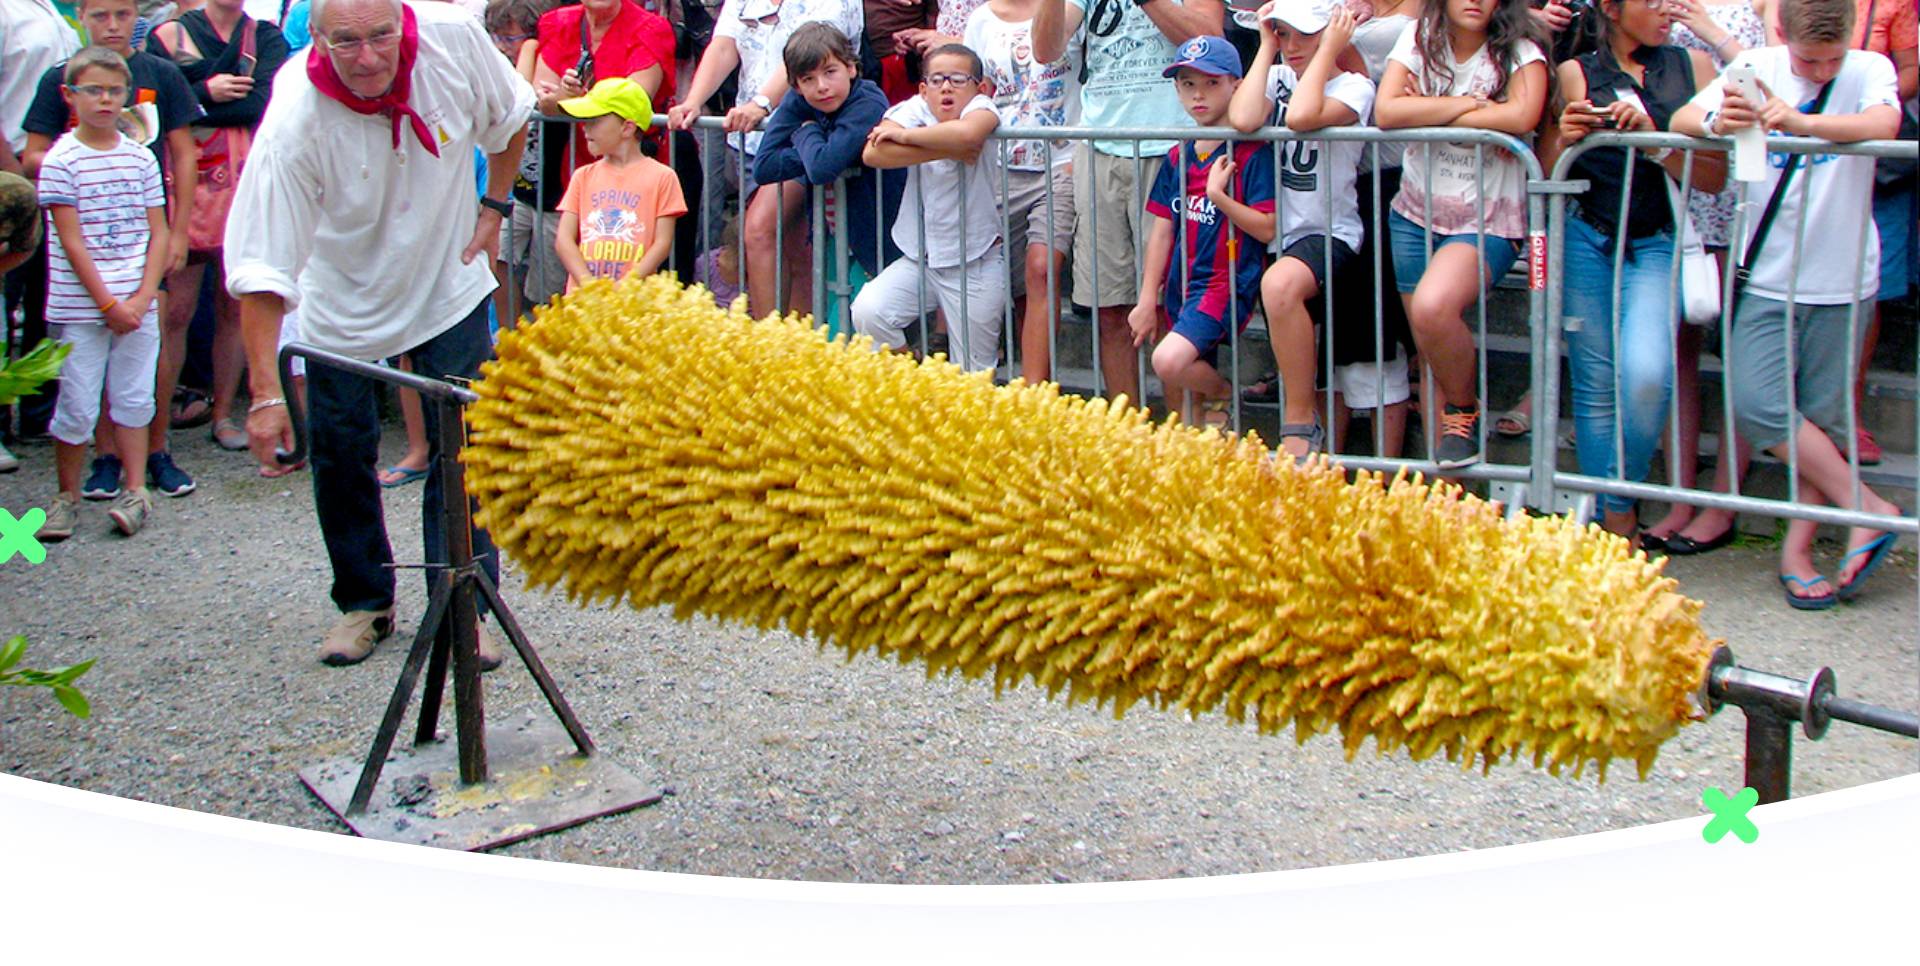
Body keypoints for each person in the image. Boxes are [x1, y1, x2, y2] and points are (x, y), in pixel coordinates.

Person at [225, 0, 535, 667]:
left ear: (403, 22)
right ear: (316, 37)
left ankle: (465, 604)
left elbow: (511, 116)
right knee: (340, 451)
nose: (366, 58)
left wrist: (495, 206)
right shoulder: (293, 118)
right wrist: (264, 394)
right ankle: (365, 601)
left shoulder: (452, 40)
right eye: (345, 42)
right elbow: (261, 266)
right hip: (339, 298)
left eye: (380, 37)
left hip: (446, 277)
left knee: (465, 449)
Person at [1673, 0, 1903, 607]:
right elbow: (1682, 119)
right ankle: (1868, 509)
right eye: (1810, 59)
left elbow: (1884, 123)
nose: (1824, 70)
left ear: (1851, 36)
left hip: (1844, 274)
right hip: (1767, 271)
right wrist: (1723, 119)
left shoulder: (1869, 68)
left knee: (1825, 422)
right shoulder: (1756, 64)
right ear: (1783, 33)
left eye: (1834, 58)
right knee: (1759, 406)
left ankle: (1798, 551)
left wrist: (1800, 122)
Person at [1538, 0, 1724, 546]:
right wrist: (1566, 135)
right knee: (1595, 387)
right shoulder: (1575, 71)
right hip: (1585, 235)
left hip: (1659, 239)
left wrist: (1654, 139)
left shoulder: (1695, 68)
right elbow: (1546, 169)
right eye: (1651, 0)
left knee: (1647, 376)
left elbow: (1714, 176)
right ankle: (1611, 533)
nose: (1666, 9)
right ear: (1613, 9)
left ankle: (1618, 502)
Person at [19, 0, 198, 497]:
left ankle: (156, 449)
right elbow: (32, 152)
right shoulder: (65, 78)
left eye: (122, 14)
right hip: (87, 235)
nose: (113, 26)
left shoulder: (160, 73)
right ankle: (104, 456)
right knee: (89, 356)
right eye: (101, 16)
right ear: (82, 17)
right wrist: (85, 144)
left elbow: (184, 153)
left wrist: (180, 231)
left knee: (150, 340)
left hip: (145, 231)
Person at [1373, 0, 1548, 468]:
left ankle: (1464, 407)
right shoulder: (1417, 39)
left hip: (1487, 217)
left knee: (1434, 307)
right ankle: (1448, 498)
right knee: (1431, 350)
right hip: (1413, 211)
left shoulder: (1520, 51)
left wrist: (1425, 110)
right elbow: (1387, 111)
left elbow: (1521, 117)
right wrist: (1473, 105)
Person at [1035, 0, 1223, 408]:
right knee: (1109, 306)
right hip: (1099, 146)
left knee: (1176, 306)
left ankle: (1183, 438)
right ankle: (1127, 436)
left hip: (1173, 148)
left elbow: (1209, 42)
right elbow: (1045, 51)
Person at [144, 0, 289, 483]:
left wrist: (194, 97)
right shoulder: (168, 35)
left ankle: (224, 413)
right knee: (175, 311)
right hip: (185, 185)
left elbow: (263, 103)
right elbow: (154, 107)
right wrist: (207, 90)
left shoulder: (265, 38)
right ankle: (154, 429)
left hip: (245, 185)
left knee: (236, 306)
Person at [1642, 0, 1769, 553]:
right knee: (1679, 348)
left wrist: (1709, 31)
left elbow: (1774, 82)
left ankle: (1725, 501)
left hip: (1741, 189)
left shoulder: (1748, 10)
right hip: (1678, 189)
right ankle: (1681, 498)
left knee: (1741, 348)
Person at [33, 47, 169, 539]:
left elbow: (159, 231)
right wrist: (108, 305)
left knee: (134, 397)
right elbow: (70, 240)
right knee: (76, 401)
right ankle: (65, 495)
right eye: (94, 90)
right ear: (71, 95)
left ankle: (136, 490)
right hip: (81, 304)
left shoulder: (140, 158)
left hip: (137, 299)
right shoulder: (60, 161)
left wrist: (142, 296)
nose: (105, 100)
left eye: (114, 91)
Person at [1229, 0, 1374, 459]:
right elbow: (1245, 117)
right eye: (1284, 34)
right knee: (1282, 298)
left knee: (1280, 286)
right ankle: (1306, 427)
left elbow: (1301, 116)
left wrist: (1330, 46)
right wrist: (1266, 43)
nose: (1292, 47)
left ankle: (1298, 419)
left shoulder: (1356, 87)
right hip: (1280, 233)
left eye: (1302, 35)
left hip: (1329, 230)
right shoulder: (1277, 75)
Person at [664, 0, 866, 319]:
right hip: (751, 138)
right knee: (793, 247)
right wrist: (693, 101)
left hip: (808, 132)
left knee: (759, 232)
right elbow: (723, 46)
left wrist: (761, 105)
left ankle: (768, 342)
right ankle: (797, 347)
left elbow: (803, 60)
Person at [1127, 36, 1277, 425]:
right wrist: (1147, 299)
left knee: (1168, 360)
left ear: (1236, 85)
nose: (1199, 95)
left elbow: (1267, 228)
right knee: (1184, 402)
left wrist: (1218, 195)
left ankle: (1224, 391)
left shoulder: (1250, 152)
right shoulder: (1179, 154)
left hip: (1222, 283)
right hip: (1181, 281)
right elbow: (1162, 229)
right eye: (1188, 84)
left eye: (1212, 83)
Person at [854, 42, 1004, 370]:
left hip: (974, 260)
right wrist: (944, 146)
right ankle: (915, 380)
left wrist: (908, 138)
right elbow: (874, 154)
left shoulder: (983, 107)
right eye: (936, 80)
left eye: (957, 79)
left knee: (975, 377)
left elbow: (968, 136)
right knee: (868, 311)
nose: (946, 87)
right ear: (923, 89)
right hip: (918, 258)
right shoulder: (913, 108)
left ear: (979, 88)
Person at [960, 0, 1080, 385]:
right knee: (1005, 284)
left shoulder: (1074, 8)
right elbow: (971, 92)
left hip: (1062, 160)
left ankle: (1034, 396)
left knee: (1042, 268)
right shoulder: (980, 20)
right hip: (1000, 165)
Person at [526, 0, 675, 309]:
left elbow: (635, 100)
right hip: (577, 168)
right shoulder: (558, 23)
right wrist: (592, 287)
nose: (586, 126)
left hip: (635, 296)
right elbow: (541, 96)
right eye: (586, 119)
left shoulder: (650, 28)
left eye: (593, 121)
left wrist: (626, 289)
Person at [752, 21, 903, 303]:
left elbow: (822, 168)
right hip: (834, 234)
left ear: (851, 68)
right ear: (796, 85)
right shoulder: (800, 100)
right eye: (808, 79)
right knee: (838, 330)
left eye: (830, 72)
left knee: (865, 329)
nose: (821, 87)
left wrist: (807, 132)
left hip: (880, 234)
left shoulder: (868, 101)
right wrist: (821, 150)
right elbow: (765, 166)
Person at [555, 76, 687, 289]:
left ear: (627, 128)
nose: (584, 128)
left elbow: (662, 243)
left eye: (594, 121)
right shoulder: (582, 176)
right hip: (584, 301)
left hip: (633, 302)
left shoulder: (663, 177)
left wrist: (628, 285)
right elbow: (564, 239)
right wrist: (588, 284)